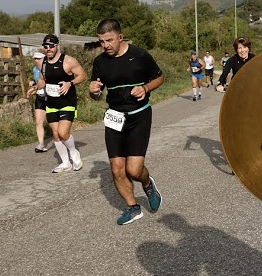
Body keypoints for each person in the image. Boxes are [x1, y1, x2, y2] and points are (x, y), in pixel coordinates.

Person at [89, 19, 165, 225]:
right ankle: (132, 207)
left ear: (120, 37)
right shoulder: (100, 62)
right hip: (114, 117)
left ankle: (148, 185)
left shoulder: (139, 55)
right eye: (101, 41)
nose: (105, 45)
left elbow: (160, 77)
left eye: (109, 40)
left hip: (139, 115)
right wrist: (94, 92)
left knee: (133, 170)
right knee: (116, 169)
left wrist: (146, 88)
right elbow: (97, 92)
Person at [29, 34, 88, 173]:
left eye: (51, 46)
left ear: (57, 46)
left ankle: (74, 154)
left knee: (63, 132)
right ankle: (65, 163)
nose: (48, 49)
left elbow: (83, 75)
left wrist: (70, 83)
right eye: (46, 46)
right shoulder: (43, 62)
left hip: (67, 101)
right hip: (51, 103)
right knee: (55, 134)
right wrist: (35, 87)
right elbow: (42, 80)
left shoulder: (68, 61)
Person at [28, 51, 48, 153]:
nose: (36, 60)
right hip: (40, 96)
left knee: (55, 122)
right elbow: (38, 81)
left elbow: (44, 82)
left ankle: (62, 140)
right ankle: (41, 144)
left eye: (38, 58)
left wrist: (34, 88)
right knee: (39, 122)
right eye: (35, 59)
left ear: (44, 59)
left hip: (51, 97)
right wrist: (33, 82)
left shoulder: (49, 68)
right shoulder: (35, 69)